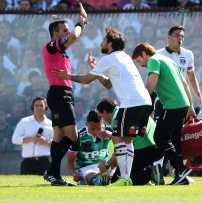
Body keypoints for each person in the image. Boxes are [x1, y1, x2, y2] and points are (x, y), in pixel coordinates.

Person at [52, 27, 152, 186]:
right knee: (127, 140)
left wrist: (67, 76)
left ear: (111, 43)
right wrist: (95, 69)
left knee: (120, 139)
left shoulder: (109, 58)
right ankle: (126, 179)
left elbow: (86, 80)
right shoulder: (124, 57)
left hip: (132, 103)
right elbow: (107, 83)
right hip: (145, 102)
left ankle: (125, 179)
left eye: (104, 40)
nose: (102, 42)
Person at [132, 42, 195, 185]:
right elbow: (184, 84)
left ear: (143, 54)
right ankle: (182, 177)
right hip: (182, 103)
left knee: (160, 137)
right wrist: (190, 105)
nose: (140, 65)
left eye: (138, 60)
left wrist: (141, 101)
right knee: (174, 140)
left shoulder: (153, 60)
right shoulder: (168, 60)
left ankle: (181, 169)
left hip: (172, 104)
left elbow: (152, 83)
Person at [42, 3, 87, 186]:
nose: (68, 32)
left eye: (68, 30)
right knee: (73, 135)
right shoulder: (51, 46)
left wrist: (82, 23)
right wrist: (80, 22)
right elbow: (75, 36)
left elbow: (74, 37)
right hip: (60, 93)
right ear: (56, 34)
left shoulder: (60, 49)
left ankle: (53, 175)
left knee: (59, 136)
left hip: (60, 93)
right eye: (64, 30)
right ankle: (52, 172)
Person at [96, 98, 165, 185]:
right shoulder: (124, 112)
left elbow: (121, 150)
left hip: (144, 151)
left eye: (101, 116)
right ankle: (153, 169)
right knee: (126, 173)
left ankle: (150, 173)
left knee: (119, 179)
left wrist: (106, 166)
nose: (103, 120)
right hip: (157, 148)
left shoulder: (116, 119)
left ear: (105, 112)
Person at [156, 25, 202, 104]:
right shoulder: (157, 55)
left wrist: (199, 96)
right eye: (177, 35)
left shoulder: (188, 54)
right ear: (168, 37)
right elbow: (153, 79)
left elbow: (191, 78)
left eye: (182, 36)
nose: (180, 38)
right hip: (162, 100)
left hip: (181, 100)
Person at [67, 110, 111, 186]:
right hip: (86, 168)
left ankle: (104, 179)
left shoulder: (109, 131)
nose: (96, 132)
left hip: (105, 166)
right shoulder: (79, 136)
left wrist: (110, 135)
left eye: (99, 128)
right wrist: (74, 174)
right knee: (94, 179)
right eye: (93, 129)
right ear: (86, 124)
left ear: (102, 123)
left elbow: (122, 143)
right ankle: (98, 181)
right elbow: (70, 161)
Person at [12, 97, 53, 175]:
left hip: (45, 162)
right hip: (27, 162)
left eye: (41, 105)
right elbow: (15, 139)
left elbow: (57, 143)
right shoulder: (24, 121)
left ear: (45, 108)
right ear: (32, 108)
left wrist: (46, 142)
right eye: (36, 106)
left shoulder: (51, 124)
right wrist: (32, 139)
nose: (39, 108)